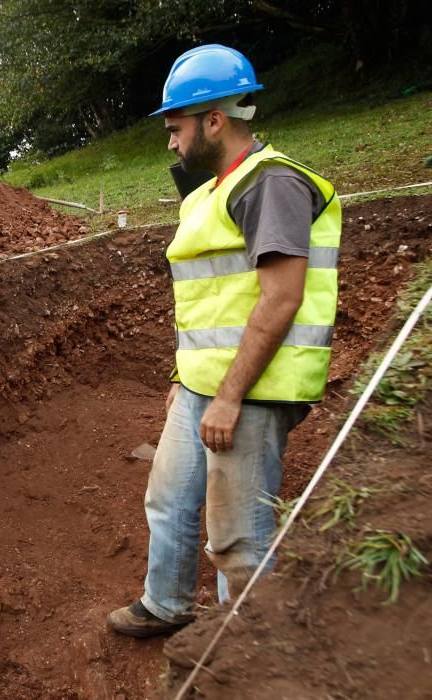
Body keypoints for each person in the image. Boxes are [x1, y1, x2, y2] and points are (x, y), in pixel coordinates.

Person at [107, 45, 342, 637]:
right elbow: (209, 301)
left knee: (236, 535)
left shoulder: (274, 184)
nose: (170, 142)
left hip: (253, 390)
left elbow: (281, 297)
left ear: (215, 119)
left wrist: (230, 396)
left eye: (175, 127)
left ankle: (245, 648)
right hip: (200, 386)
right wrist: (182, 380)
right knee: (169, 500)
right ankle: (167, 604)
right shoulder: (209, 193)